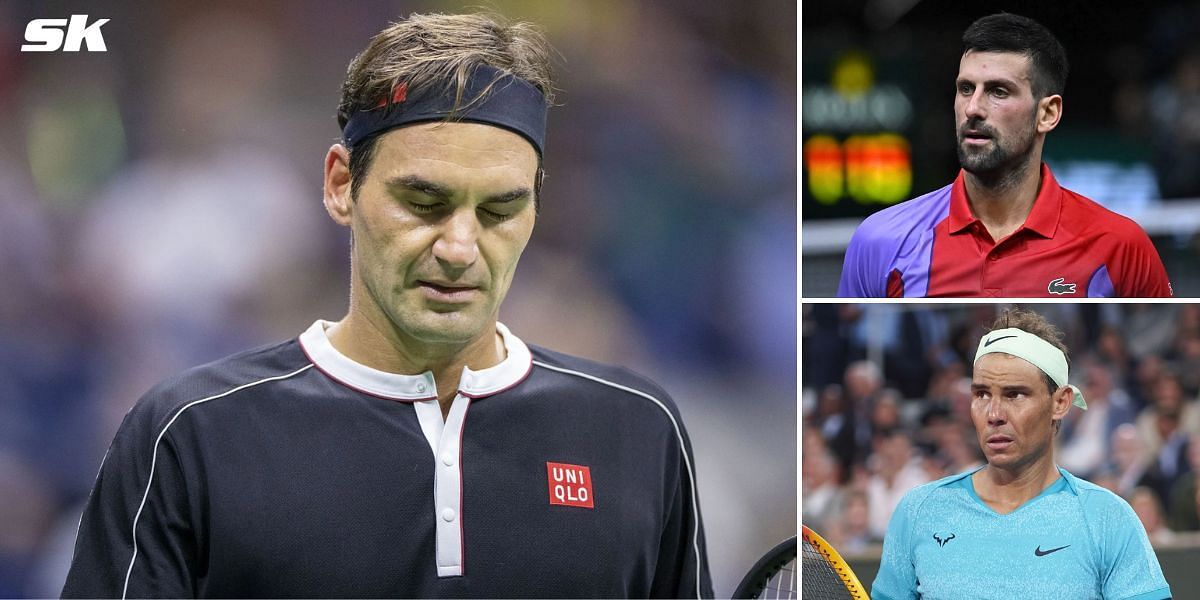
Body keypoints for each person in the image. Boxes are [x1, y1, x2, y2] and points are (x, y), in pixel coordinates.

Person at [61, 12, 712, 598]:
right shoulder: (189, 434)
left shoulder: (639, 430)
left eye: (500, 209)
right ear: (341, 186)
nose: (461, 247)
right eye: (424, 202)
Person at [838, 13, 1171, 298]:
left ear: (1048, 113)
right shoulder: (879, 240)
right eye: (966, 88)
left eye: (998, 91)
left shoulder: (1121, 246)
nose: (972, 109)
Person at [872, 307, 1170, 600]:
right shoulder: (919, 511)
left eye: (1015, 394)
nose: (994, 414)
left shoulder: (1107, 518)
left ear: (1061, 403)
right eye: (982, 394)